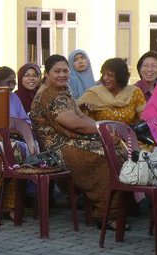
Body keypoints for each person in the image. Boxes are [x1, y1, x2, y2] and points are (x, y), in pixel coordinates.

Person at [30, 55, 115, 228]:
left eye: (65, 70)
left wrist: (101, 129)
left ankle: (120, 206)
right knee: (103, 154)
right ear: (46, 74)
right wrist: (102, 131)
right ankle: (106, 213)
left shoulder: (64, 90)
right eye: (57, 71)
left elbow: (81, 116)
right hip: (57, 149)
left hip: (70, 141)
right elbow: (75, 124)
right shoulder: (47, 95)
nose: (62, 74)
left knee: (115, 147)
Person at [0, 66, 30, 223]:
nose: (11, 87)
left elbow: (24, 120)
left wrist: (16, 128)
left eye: (14, 83)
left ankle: (8, 207)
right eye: (8, 83)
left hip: (10, 139)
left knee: (16, 155)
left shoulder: (14, 98)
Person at [78, 57, 146, 126]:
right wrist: (83, 109)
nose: (105, 78)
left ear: (120, 77)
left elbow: (144, 120)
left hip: (128, 135)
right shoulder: (93, 94)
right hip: (98, 135)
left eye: (110, 75)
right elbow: (77, 111)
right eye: (103, 74)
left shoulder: (134, 92)